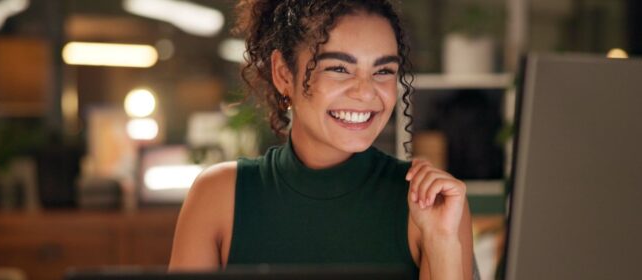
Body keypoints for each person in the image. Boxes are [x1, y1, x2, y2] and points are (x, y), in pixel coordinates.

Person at [169, 1, 476, 279]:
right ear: (284, 74)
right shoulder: (218, 196)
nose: (366, 92)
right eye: (339, 68)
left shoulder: (430, 207)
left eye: (383, 71)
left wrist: (442, 244)